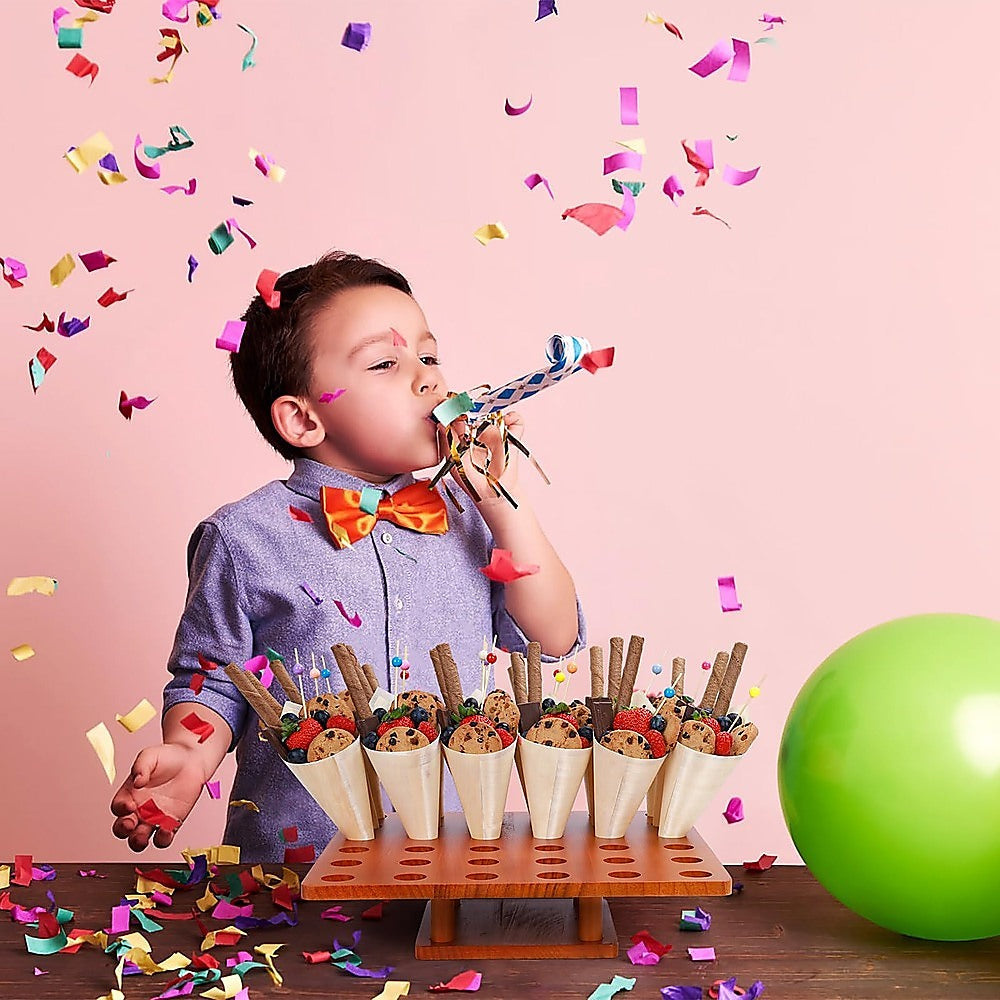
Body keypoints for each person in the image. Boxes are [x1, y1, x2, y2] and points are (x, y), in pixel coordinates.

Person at [110, 250, 586, 861]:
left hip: (453, 864)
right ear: (304, 419)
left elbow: (554, 633)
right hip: (294, 872)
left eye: (430, 356)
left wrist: (503, 503)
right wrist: (188, 755)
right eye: (386, 362)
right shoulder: (242, 537)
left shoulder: (470, 514)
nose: (429, 380)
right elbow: (212, 681)